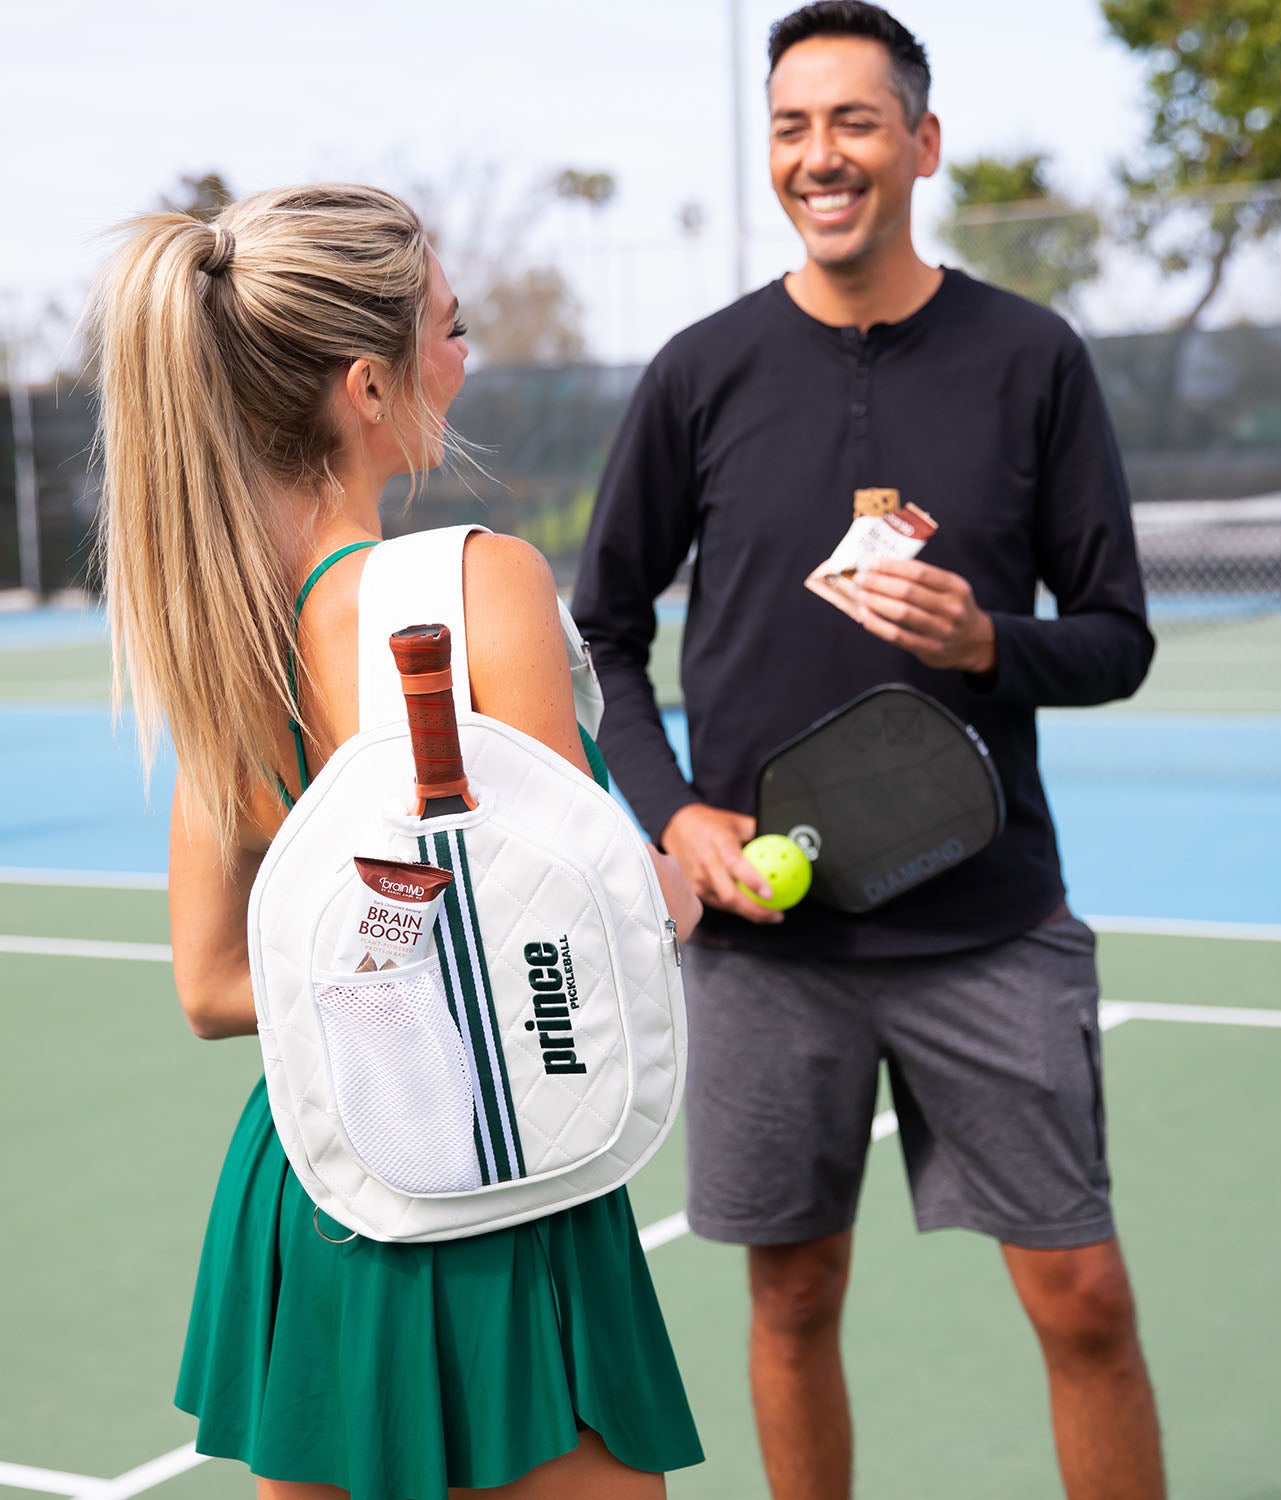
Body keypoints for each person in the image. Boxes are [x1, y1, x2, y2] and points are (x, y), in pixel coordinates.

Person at [569, 4, 1165, 1497]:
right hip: (772, 947)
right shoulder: (700, 373)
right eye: (791, 126)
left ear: (920, 142)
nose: (819, 155)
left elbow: (1118, 638)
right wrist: (677, 818)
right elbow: (606, 634)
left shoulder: (1032, 359)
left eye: (852, 121)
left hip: (991, 923)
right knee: (793, 1297)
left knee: (1082, 1300)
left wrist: (988, 646)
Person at [89, 183, 704, 1500]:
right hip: (495, 1171)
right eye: (451, 325)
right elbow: (556, 931)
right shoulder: (480, 582)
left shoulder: (218, 639)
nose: (464, 357)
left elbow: (209, 989)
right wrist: (664, 895)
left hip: (317, 1183)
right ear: (369, 387)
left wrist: (376, 957)